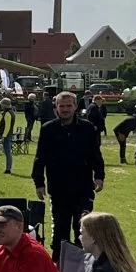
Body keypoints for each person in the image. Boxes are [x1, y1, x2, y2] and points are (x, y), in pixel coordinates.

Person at [32, 91, 105, 260]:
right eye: (61, 106)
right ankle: (59, 266)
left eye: (68, 106)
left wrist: (99, 176)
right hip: (59, 189)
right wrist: (39, 182)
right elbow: (40, 157)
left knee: (83, 227)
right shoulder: (48, 129)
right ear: (56, 107)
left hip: (83, 188)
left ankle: (84, 267)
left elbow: (95, 155)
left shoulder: (87, 128)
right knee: (60, 229)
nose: (65, 109)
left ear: (75, 107)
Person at [0, 97, 17, 174]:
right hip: (8, 134)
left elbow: (7, 126)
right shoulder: (10, 112)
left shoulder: (8, 113)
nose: (1, 105)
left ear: (5, 105)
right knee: (7, 151)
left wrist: (3, 136)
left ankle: (8, 169)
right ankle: (8, 168)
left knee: (7, 152)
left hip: (7, 134)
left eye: (1, 104)